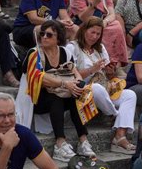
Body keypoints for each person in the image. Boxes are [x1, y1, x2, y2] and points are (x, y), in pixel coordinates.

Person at [23, 20, 96, 160]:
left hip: (59, 95)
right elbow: (39, 78)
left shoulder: (64, 52)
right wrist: (64, 84)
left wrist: (78, 85)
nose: (44, 37)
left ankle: (83, 140)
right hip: (36, 99)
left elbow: (76, 73)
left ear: (58, 38)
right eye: (42, 34)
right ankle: (59, 143)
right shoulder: (34, 53)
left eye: (49, 35)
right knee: (56, 98)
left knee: (77, 96)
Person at [69, 17, 137, 154]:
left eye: (98, 34)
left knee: (130, 95)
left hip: (104, 89)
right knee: (95, 88)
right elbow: (70, 76)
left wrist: (111, 72)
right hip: (83, 91)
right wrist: (91, 70)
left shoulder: (100, 49)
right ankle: (116, 114)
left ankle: (119, 137)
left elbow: (107, 75)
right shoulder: (72, 47)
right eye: (92, 32)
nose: (94, 37)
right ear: (83, 30)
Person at [69, 0, 128, 68]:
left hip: (101, 20)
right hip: (85, 23)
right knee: (101, 31)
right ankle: (104, 63)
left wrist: (105, 21)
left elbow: (111, 13)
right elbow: (83, 18)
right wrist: (93, 5)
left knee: (117, 26)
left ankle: (115, 63)